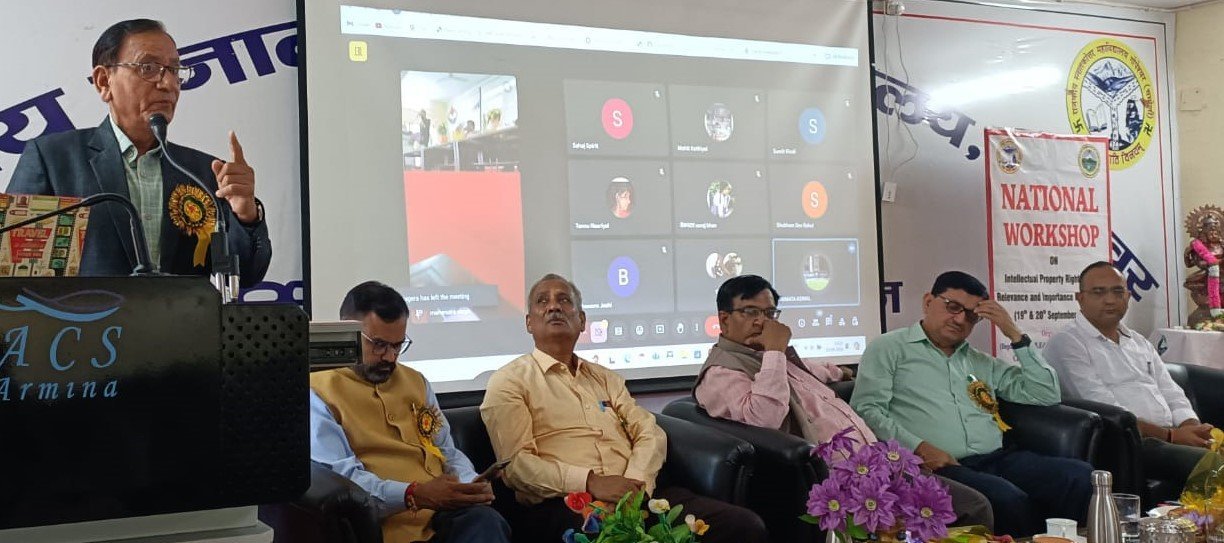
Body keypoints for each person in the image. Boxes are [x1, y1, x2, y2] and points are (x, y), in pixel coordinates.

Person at [480, 274, 768, 543]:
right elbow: (517, 467)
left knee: (743, 525)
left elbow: (649, 433)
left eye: (564, 300)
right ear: (529, 323)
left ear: (582, 320)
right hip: (565, 503)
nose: (554, 306)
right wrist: (592, 482)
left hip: (637, 493)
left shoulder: (605, 378)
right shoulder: (510, 381)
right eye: (543, 301)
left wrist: (633, 487)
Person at [694, 274, 994, 530]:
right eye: (750, 312)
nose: (762, 321)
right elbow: (764, 419)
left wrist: (838, 371)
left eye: (770, 313)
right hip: (842, 485)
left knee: (975, 503)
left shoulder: (768, 358)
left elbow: (811, 370)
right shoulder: (721, 373)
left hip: (877, 466)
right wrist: (774, 350)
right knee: (971, 507)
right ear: (724, 319)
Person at [8, 19, 271, 286]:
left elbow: (245, 276)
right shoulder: (54, 160)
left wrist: (245, 213)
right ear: (103, 81)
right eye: (148, 68)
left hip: (181, 315)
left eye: (174, 70)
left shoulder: (205, 172)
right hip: (84, 313)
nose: (168, 83)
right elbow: (14, 271)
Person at [850, 271, 1092, 537]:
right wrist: (918, 447)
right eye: (953, 307)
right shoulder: (889, 348)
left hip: (997, 458)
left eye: (971, 315)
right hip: (940, 465)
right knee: (1006, 499)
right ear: (928, 301)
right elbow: (867, 409)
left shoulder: (980, 361)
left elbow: (1046, 393)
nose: (960, 319)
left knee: (1078, 476)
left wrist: (1013, 332)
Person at [310, 281, 510, 543]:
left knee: (485, 521)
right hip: (385, 524)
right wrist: (413, 494)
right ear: (349, 332)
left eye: (398, 345)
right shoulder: (318, 391)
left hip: (442, 515)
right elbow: (344, 479)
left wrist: (469, 483)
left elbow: (446, 451)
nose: (390, 357)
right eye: (379, 345)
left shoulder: (416, 381)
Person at [1044, 262, 1211, 498]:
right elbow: (1107, 410)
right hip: (1130, 442)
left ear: (1128, 296)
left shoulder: (1138, 342)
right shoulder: (1068, 343)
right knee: (1214, 466)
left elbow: (1171, 391)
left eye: (1117, 292)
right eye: (1098, 292)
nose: (1110, 300)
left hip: (1170, 435)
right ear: (1080, 298)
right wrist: (1172, 436)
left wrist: (1190, 427)